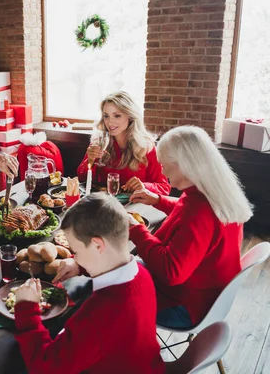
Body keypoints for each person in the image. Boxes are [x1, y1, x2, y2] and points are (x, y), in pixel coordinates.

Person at [14, 193, 164, 374]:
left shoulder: (98, 315)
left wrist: (26, 308)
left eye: (75, 251)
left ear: (97, 246)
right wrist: (80, 265)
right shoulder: (142, 273)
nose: (74, 257)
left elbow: (44, 367)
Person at [128, 126, 253, 329]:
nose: (161, 170)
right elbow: (185, 210)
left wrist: (136, 231)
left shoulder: (200, 211)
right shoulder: (212, 191)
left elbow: (171, 272)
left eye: (164, 165)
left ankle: (122, 348)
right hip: (209, 295)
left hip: (185, 306)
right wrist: (158, 200)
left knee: (109, 281)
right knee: (121, 268)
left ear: (184, 165)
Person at [77, 91, 170, 195]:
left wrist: (144, 186)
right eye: (106, 116)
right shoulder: (99, 143)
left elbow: (164, 188)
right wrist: (90, 161)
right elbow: (82, 179)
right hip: (104, 205)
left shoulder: (146, 147)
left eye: (117, 116)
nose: (110, 122)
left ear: (130, 116)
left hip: (135, 208)